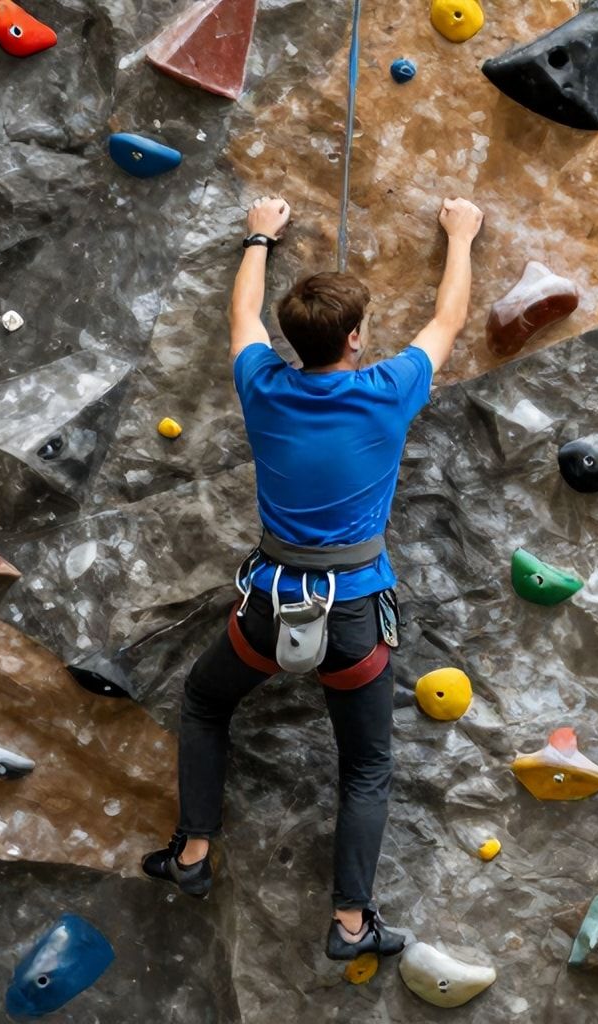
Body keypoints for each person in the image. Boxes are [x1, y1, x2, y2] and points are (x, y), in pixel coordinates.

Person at [141, 193, 484, 961]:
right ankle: (351, 924)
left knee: (204, 701)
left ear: (294, 341)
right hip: (354, 614)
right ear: (356, 339)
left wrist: (260, 234)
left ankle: (193, 854)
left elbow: (243, 319)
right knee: (365, 764)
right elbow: (448, 321)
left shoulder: (263, 385)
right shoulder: (388, 391)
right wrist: (460, 237)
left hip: (269, 606)